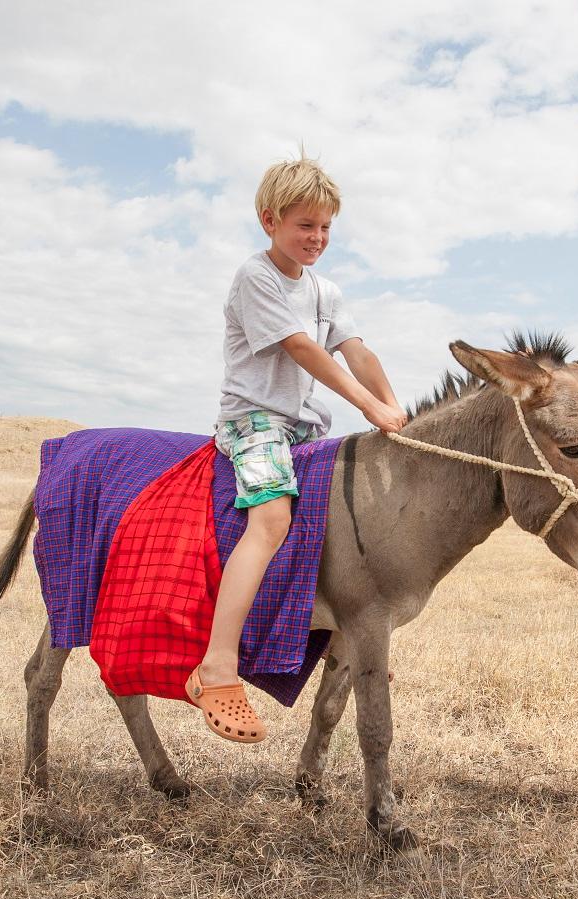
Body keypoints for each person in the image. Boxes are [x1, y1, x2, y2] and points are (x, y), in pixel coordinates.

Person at [185, 154, 408, 744]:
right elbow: (304, 350)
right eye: (304, 225)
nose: (317, 238)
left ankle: (354, 634)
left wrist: (393, 406)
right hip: (255, 422)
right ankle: (217, 666)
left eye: (326, 227)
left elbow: (355, 349)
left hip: (304, 427)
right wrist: (368, 406)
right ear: (269, 221)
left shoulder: (324, 288)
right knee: (270, 519)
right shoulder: (255, 278)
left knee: (353, 518)